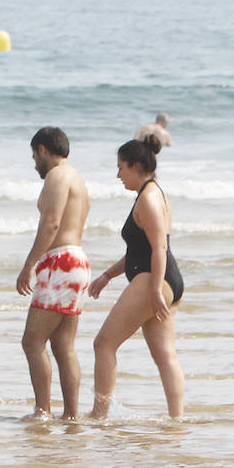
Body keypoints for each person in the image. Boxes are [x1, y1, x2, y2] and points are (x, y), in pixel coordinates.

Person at [87, 135, 185, 419]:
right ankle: (177, 420)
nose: (118, 175)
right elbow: (139, 250)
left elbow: (159, 247)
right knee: (164, 355)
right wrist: (107, 275)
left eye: (121, 168)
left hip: (154, 279)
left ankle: (98, 415)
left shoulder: (148, 199)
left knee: (103, 344)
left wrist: (154, 290)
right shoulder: (155, 193)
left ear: (136, 166)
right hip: (165, 280)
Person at [15, 127, 92, 420]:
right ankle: (71, 416)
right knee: (63, 345)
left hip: (61, 262)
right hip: (78, 261)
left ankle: (42, 411)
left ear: (44, 150)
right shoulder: (77, 179)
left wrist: (29, 265)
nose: (35, 162)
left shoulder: (57, 176)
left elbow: (51, 223)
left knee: (32, 341)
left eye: (35, 155)